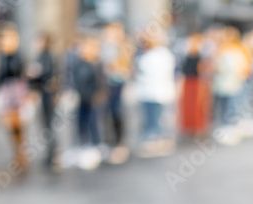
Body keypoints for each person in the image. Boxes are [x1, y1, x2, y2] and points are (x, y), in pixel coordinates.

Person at [0, 24, 29, 170]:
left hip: (18, 92)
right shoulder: (1, 56)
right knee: (8, 124)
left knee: (19, 124)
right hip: (6, 93)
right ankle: (16, 152)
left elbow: (21, 73)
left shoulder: (18, 55)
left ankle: (21, 153)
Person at [134, 30, 177, 156]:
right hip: (148, 92)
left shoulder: (162, 54)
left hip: (157, 92)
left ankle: (156, 142)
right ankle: (152, 141)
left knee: (156, 120)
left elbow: (153, 73)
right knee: (150, 118)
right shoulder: (147, 54)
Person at [100, 23, 134, 163]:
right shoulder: (104, 47)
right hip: (106, 84)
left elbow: (127, 65)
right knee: (106, 113)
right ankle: (109, 141)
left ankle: (120, 142)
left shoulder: (124, 46)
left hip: (119, 82)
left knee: (118, 112)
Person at [71, 35, 104, 166]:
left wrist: (98, 95)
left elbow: (100, 82)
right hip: (81, 99)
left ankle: (95, 146)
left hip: (93, 100)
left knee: (94, 123)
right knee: (80, 123)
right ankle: (82, 145)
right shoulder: (78, 64)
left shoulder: (97, 64)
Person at [27, 33, 58, 168]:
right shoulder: (39, 56)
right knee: (45, 125)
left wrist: (37, 73)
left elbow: (50, 74)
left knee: (49, 124)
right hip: (42, 93)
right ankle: (50, 153)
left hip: (48, 94)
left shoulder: (48, 57)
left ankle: (53, 153)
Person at [179, 33, 211, 138]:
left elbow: (202, 70)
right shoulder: (188, 56)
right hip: (189, 82)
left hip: (197, 83)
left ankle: (197, 127)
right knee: (188, 106)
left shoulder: (200, 57)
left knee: (197, 106)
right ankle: (189, 126)